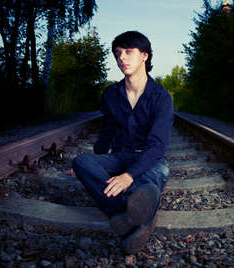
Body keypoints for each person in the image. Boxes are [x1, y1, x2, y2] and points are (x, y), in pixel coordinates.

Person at [72, 31, 173, 253]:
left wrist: (128, 176)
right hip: (118, 156)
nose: (122, 58)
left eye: (129, 52)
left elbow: (157, 146)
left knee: (152, 178)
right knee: (81, 162)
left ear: (144, 56)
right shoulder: (111, 94)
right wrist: (95, 164)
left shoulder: (161, 97)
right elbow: (107, 132)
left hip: (149, 159)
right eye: (118, 54)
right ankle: (136, 214)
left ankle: (126, 218)